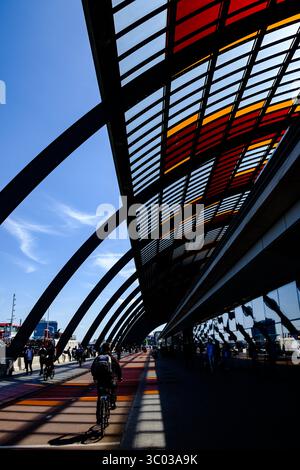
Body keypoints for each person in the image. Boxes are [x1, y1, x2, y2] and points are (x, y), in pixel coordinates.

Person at [91, 342, 122, 424]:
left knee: (99, 397)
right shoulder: (111, 357)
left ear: (102, 349)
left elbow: (92, 368)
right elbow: (118, 368)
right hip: (109, 378)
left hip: (100, 379)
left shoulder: (98, 358)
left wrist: (95, 377)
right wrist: (120, 377)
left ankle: (99, 419)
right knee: (114, 387)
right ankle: (112, 402)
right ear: (109, 349)